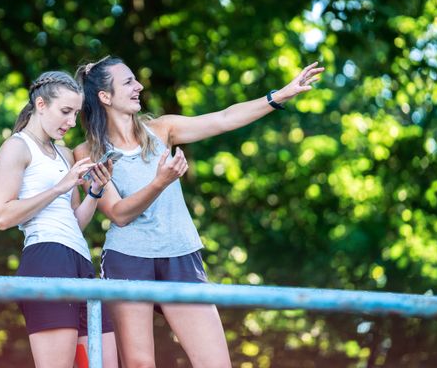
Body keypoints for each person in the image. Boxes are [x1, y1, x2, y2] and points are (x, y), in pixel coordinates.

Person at [74, 57, 324, 368]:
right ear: (105, 96)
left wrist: (278, 96)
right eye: (128, 82)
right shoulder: (87, 153)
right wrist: (161, 181)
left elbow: (223, 118)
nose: (139, 86)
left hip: (181, 255)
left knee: (215, 363)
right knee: (140, 365)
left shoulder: (163, 129)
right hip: (128, 259)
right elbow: (118, 214)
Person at [0, 71, 118, 368]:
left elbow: (73, 221)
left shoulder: (63, 154)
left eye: (75, 113)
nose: (72, 122)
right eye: (65, 112)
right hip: (46, 259)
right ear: (40, 104)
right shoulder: (16, 147)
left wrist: (95, 193)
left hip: (80, 261)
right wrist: (60, 187)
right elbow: (2, 215)